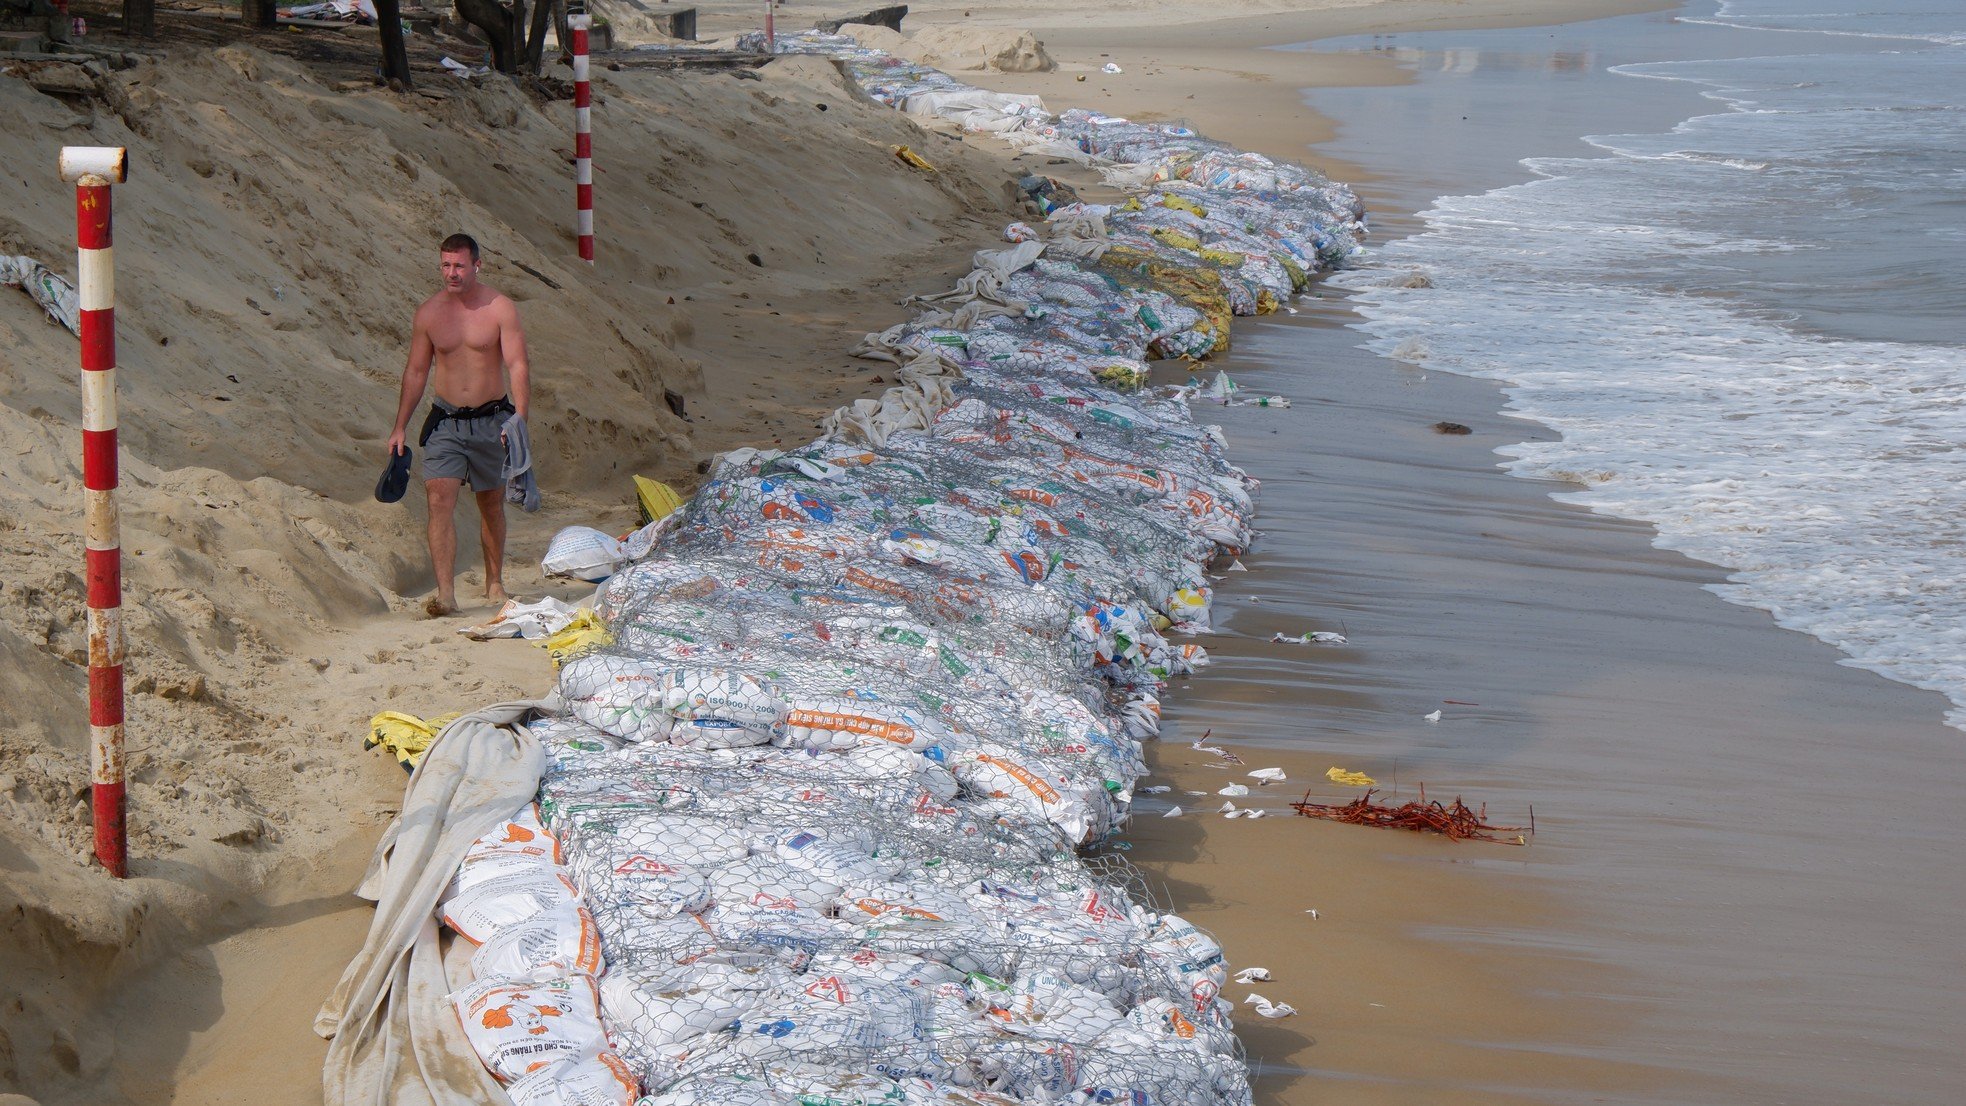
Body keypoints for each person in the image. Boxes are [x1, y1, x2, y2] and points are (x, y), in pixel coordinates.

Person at [386, 233, 530, 617]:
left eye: (459, 265)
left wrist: (520, 419)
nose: (451, 273)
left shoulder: (500, 308)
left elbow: (517, 365)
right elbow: (416, 372)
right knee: (438, 499)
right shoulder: (430, 314)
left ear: (477, 265)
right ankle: (446, 595)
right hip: (446, 421)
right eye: (445, 265)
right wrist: (400, 426)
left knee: (491, 504)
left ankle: (494, 581)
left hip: (492, 421)